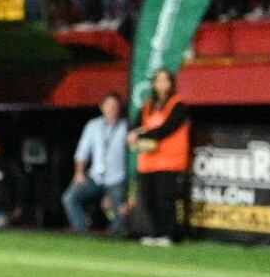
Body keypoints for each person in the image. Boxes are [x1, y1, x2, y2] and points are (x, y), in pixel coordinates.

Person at [130, 67, 191, 247]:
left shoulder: (178, 105)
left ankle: (169, 234)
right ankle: (155, 232)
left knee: (166, 199)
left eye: (165, 80)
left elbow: (168, 128)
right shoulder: (147, 106)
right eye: (158, 80)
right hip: (148, 162)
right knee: (150, 199)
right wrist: (133, 135)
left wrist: (143, 134)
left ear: (171, 83)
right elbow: (135, 127)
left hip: (169, 161)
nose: (162, 84)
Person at [65, 92, 131, 234]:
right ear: (102, 107)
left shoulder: (126, 127)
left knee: (120, 214)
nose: (112, 109)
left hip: (117, 179)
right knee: (70, 198)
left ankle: (113, 237)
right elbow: (82, 152)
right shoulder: (93, 125)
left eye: (115, 106)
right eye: (108, 106)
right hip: (96, 176)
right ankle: (82, 231)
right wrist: (79, 173)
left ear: (119, 108)